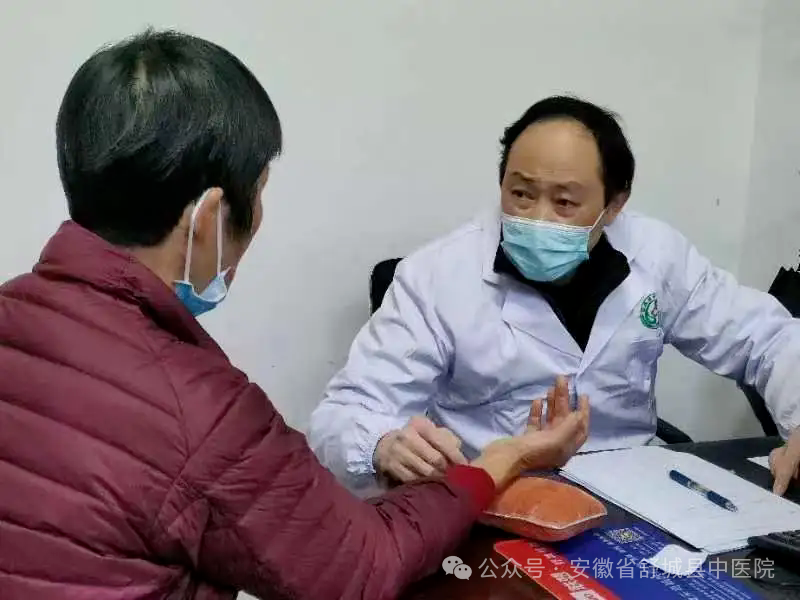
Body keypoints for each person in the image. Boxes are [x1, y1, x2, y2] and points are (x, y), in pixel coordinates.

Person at [0, 31, 591, 600]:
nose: (539, 218)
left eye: (566, 200)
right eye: (257, 191)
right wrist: (504, 456)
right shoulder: (201, 410)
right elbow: (362, 567)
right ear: (209, 217)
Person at [309, 96, 800, 496]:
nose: (537, 218)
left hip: (634, 496)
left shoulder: (656, 255)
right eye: (521, 194)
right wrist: (381, 445)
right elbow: (344, 414)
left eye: (565, 202)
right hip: (490, 497)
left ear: (615, 204)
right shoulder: (436, 276)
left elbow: (767, 337)